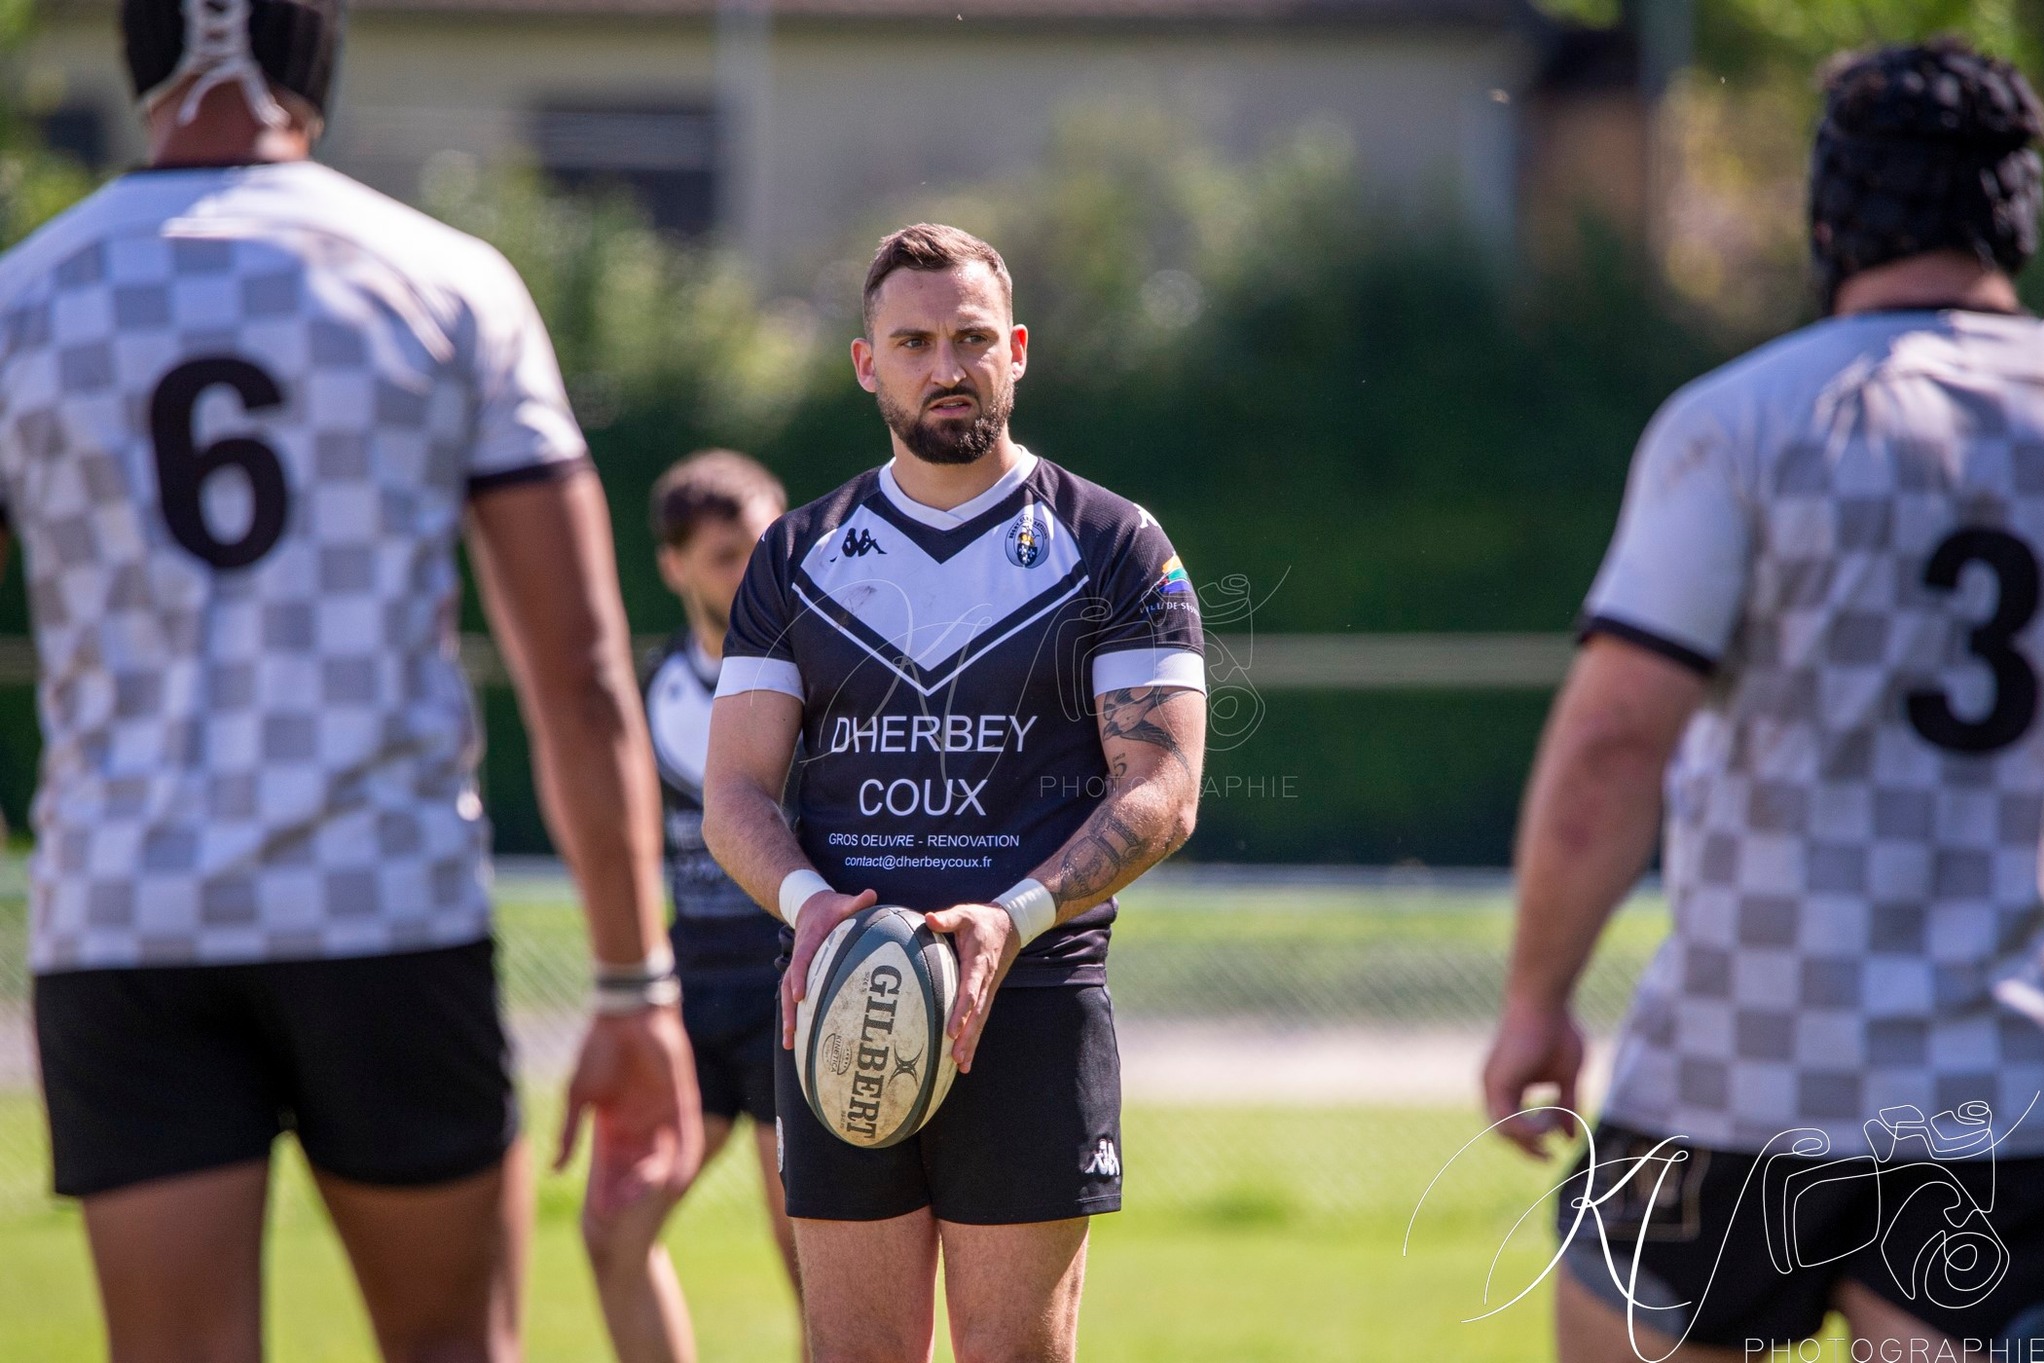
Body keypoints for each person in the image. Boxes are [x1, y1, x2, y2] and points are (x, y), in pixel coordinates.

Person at [0, 3, 702, 1359]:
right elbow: (585, 674)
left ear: (138, 56)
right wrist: (633, 987)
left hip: (125, 921)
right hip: (378, 908)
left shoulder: (29, 299)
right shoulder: (442, 280)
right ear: (317, 55)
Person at [1482, 39, 2044, 1362]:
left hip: (1742, 1068)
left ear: (1830, 211)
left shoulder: (1745, 419)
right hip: (2009, 1087)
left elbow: (1617, 735)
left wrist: (1536, 997)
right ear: (2016, 210)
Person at [701, 222, 1206, 1363]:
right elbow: (732, 789)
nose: (946, 365)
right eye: (914, 340)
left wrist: (1010, 916)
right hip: (840, 1003)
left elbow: (1164, 785)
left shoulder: (1113, 543)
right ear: (865, 363)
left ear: (1016, 351)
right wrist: (806, 905)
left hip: (1029, 1000)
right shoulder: (794, 554)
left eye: (971, 338)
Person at [582, 450, 802, 1362]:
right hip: (689, 998)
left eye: (764, 545)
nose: (752, 570)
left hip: (800, 989)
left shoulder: (828, 680)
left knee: (818, 1260)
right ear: (673, 566)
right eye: (724, 554)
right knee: (612, 1234)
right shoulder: (644, 691)